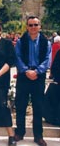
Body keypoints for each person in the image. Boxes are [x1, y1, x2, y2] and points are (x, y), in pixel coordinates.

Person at [14, 16, 51, 146]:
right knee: (20, 106)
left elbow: (47, 59)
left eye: (36, 25)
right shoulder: (21, 41)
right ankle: (19, 132)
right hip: (24, 76)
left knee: (38, 107)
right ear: (27, 27)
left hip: (38, 77)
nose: (33, 27)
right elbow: (17, 57)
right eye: (30, 25)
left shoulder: (46, 42)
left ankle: (38, 136)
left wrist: (37, 71)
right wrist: (26, 71)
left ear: (40, 26)